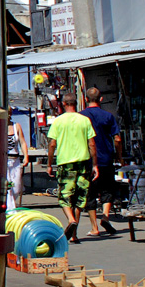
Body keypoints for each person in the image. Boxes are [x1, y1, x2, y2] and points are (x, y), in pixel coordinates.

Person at [46, 92, 97, 244]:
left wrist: (49, 164)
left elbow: (52, 144)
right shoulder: (85, 120)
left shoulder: (58, 121)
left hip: (65, 163)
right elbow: (92, 144)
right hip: (83, 163)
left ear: (63, 104)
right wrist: (95, 164)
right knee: (79, 198)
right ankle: (74, 234)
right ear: (76, 104)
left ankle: (70, 219)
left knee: (65, 196)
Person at [81, 87, 123, 236]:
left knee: (90, 193)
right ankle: (105, 216)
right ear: (101, 99)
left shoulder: (81, 117)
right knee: (108, 190)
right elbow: (117, 139)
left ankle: (94, 228)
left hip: (88, 160)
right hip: (106, 158)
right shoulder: (108, 116)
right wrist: (119, 156)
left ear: (86, 99)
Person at [4, 111, 30, 211]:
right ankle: (10, 210)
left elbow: (22, 142)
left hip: (15, 160)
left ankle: (10, 204)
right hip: (4, 160)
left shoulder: (16, 126)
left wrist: (26, 156)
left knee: (17, 187)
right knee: (8, 186)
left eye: (9, 113)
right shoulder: (0, 126)